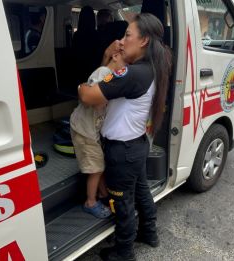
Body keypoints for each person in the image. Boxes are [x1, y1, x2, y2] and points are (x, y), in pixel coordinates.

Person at [78, 13, 172, 261]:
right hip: (137, 145)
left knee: (122, 203)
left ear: (143, 41)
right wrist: (111, 60)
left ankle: (124, 253)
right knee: (141, 192)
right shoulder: (148, 68)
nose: (122, 40)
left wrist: (80, 86)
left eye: (127, 35)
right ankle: (149, 233)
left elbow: (88, 96)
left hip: (123, 151)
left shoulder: (131, 74)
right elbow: (110, 81)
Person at [70, 52, 127, 219]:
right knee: (96, 168)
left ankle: (103, 194)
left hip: (89, 129)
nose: (126, 68)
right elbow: (92, 99)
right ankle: (90, 202)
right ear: (115, 56)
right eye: (126, 62)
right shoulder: (103, 73)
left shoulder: (111, 76)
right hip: (84, 130)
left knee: (99, 164)